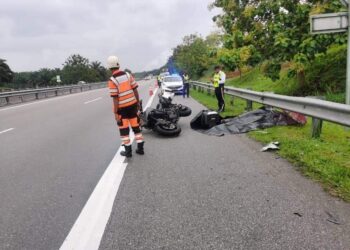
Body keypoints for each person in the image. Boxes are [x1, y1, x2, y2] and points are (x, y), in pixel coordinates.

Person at [107, 55, 144, 158]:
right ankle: (140, 149)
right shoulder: (128, 75)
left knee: (124, 131)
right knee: (136, 128)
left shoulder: (112, 80)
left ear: (109, 67)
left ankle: (128, 152)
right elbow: (135, 90)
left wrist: (115, 113)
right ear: (118, 64)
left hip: (122, 109)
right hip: (132, 106)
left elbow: (115, 98)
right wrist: (137, 103)